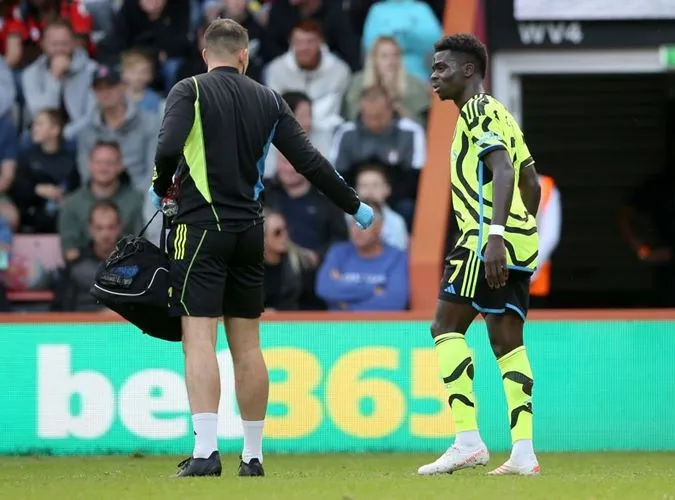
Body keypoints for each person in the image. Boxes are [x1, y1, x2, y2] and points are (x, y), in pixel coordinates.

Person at [148, 18, 373, 478]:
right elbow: (308, 160)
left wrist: (160, 186)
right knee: (248, 347)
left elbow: (169, 146)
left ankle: (207, 452)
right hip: (251, 232)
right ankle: (253, 456)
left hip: (200, 230)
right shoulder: (269, 98)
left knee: (199, 341)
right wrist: (354, 205)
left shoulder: (187, 90)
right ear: (245, 56)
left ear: (204, 51)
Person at [419, 34, 541, 477]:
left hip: (482, 241)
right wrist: (520, 231)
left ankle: (468, 441)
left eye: (442, 68)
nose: (434, 76)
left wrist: (494, 235)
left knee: (444, 326)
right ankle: (524, 454)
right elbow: (532, 181)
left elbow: (504, 170)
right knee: (507, 343)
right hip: (519, 243)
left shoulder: (474, 112)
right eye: (433, 69)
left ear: (468, 71)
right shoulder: (502, 113)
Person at [316, 200, 408, 311]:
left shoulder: (397, 257)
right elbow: (324, 288)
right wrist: (372, 289)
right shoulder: (338, 252)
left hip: (379, 327)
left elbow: (394, 302)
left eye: (365, 224)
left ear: (380, 227)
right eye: (353, 223)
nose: (357, 230)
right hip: (338, 326)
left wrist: (346, 304)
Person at [12, 108, 80, 233]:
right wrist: (36, 189)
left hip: (66, 216)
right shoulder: (26, 156)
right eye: (34, 124)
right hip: (32, 218)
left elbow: (77, 186)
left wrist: (66, 197)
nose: (34, 128)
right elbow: (18, 189)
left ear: (55, 130)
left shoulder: (72, 158)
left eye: (40, 124)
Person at [343, 36, 430, 126]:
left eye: (395, 55)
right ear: (374, 60)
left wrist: (397, 107)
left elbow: (422, 125)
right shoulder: (359, 82)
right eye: (384, 56)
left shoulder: (414, 85)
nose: (391, 61)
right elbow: (352, 117)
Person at [262, 207, 313, 311]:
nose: (284, 235)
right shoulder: (247, 268)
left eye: (285, 229)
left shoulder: (301, 263)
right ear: (262, 237)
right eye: (277, 232)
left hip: (292, 324)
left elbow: (311, 305)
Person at [529, 174, 562, 307]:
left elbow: (550, 236)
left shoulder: (546, 186)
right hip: (496, 279)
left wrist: (529, 270)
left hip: (533, 283)